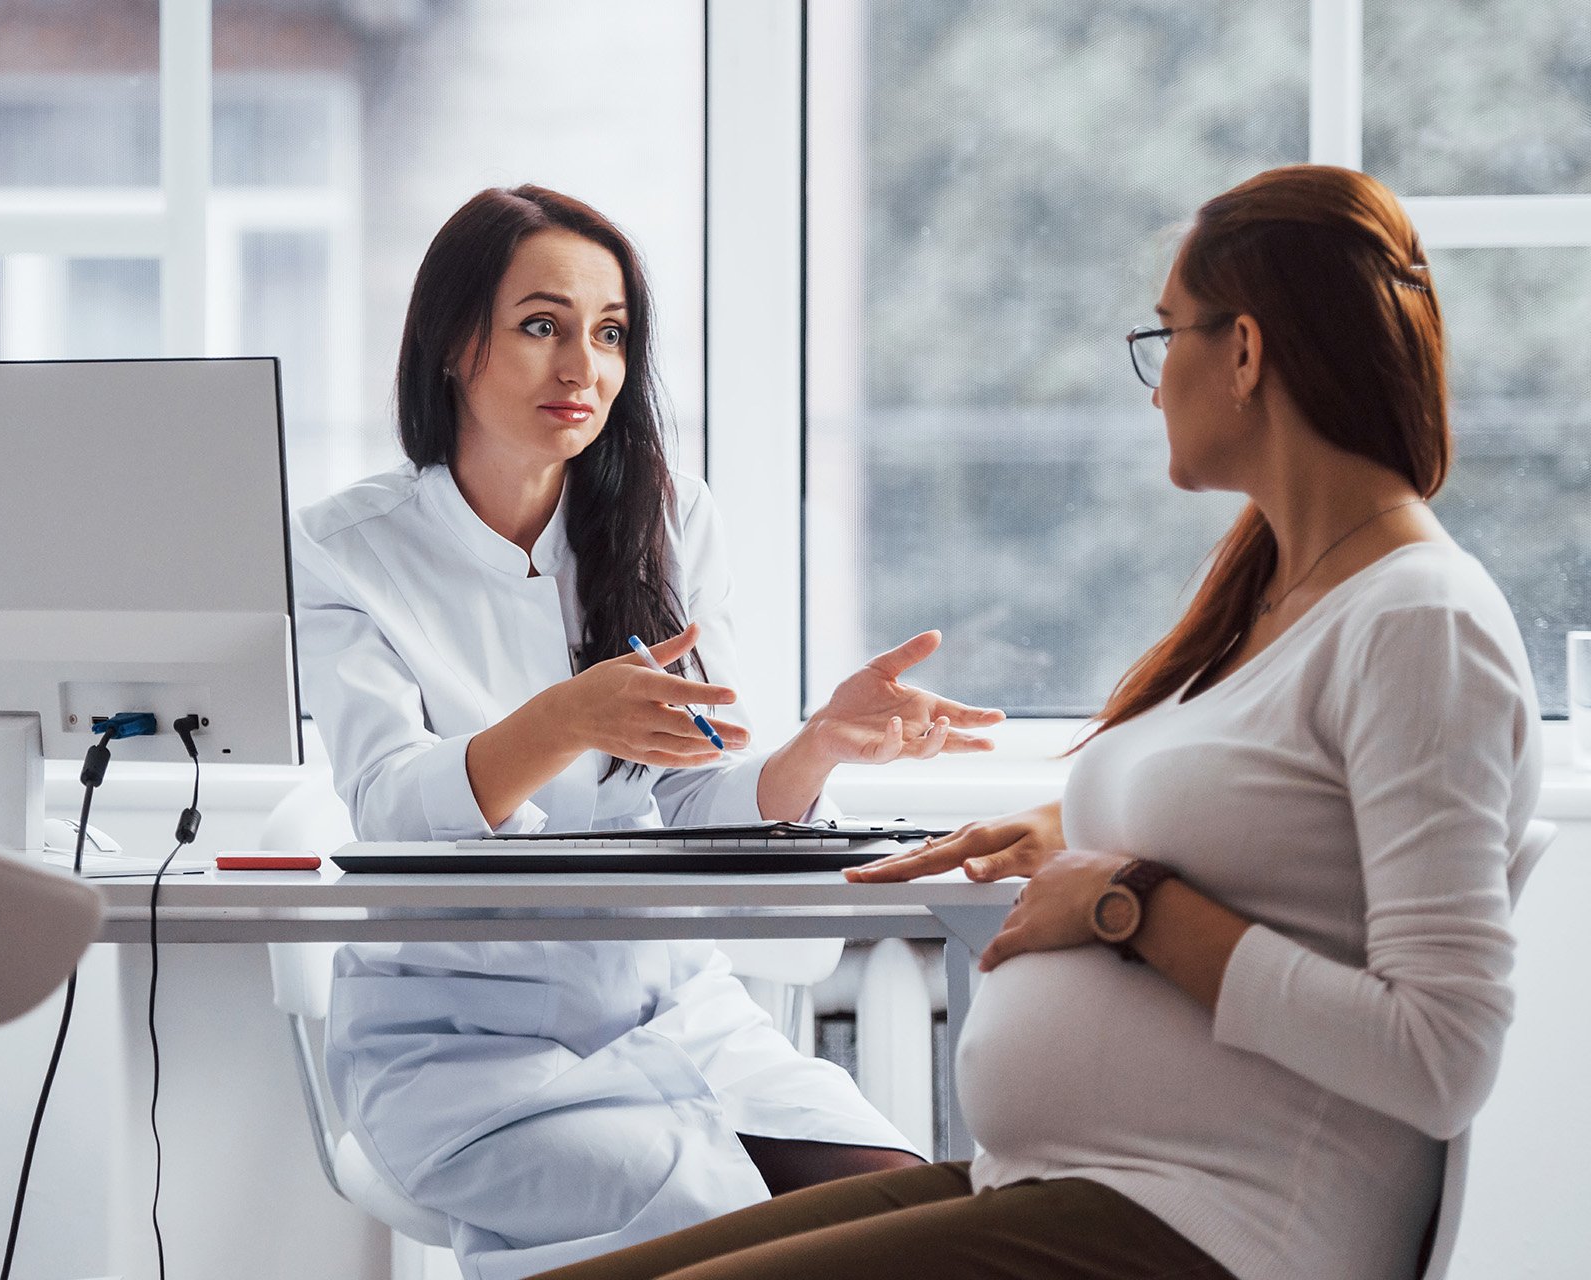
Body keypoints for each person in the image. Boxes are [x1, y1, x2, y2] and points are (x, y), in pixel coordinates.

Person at [527, 164, 1542, 1280]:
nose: (1154, 384)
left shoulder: (1420, 620)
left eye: (1167, 338)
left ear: (1246, 352)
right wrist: (1075, 840)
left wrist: (1127, 905)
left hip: (1219, 1230)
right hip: (1079, 1184)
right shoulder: (1277, 596)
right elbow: (1286, 834)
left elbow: (1439, 1056)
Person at [292, 184, 1006, 1280]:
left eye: (610, 333)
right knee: (699, 1219)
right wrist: (564, 717)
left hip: (672, 1009)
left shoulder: (664, 522)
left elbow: (696, 803)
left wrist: (818, 745)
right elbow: (393, 810)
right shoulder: (347, 552)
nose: (584, 368)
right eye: (542, 325)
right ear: (451, 341)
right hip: (459, 1047)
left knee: (901, 1205)